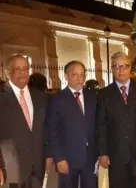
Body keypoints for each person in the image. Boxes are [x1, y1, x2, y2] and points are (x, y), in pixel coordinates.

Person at [96, 52, 136, 188]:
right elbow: (101, 125)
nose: (120, 70)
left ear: (130, 68)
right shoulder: (104, 93)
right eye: (116, 67)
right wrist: (102, 153)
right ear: (111, 69)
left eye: (124, 66)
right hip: (115, 153)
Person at [0, 54, 49, 188]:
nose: (23, 73)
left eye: (26, 69)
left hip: (38, 167)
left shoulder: (41, 98)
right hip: (11, 168)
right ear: (7, 71)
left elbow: (48, 130)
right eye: (17, 69)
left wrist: (50, 155)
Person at [47, 61, 98, 188]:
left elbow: (99, 125)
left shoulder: (93, 97)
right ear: (66, 76)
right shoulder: (57, 99)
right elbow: (52, 131)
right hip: (68, 158)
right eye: (75, 75)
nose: (80, 78)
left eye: (82, 75)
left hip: (90, 158)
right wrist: (59, 158)